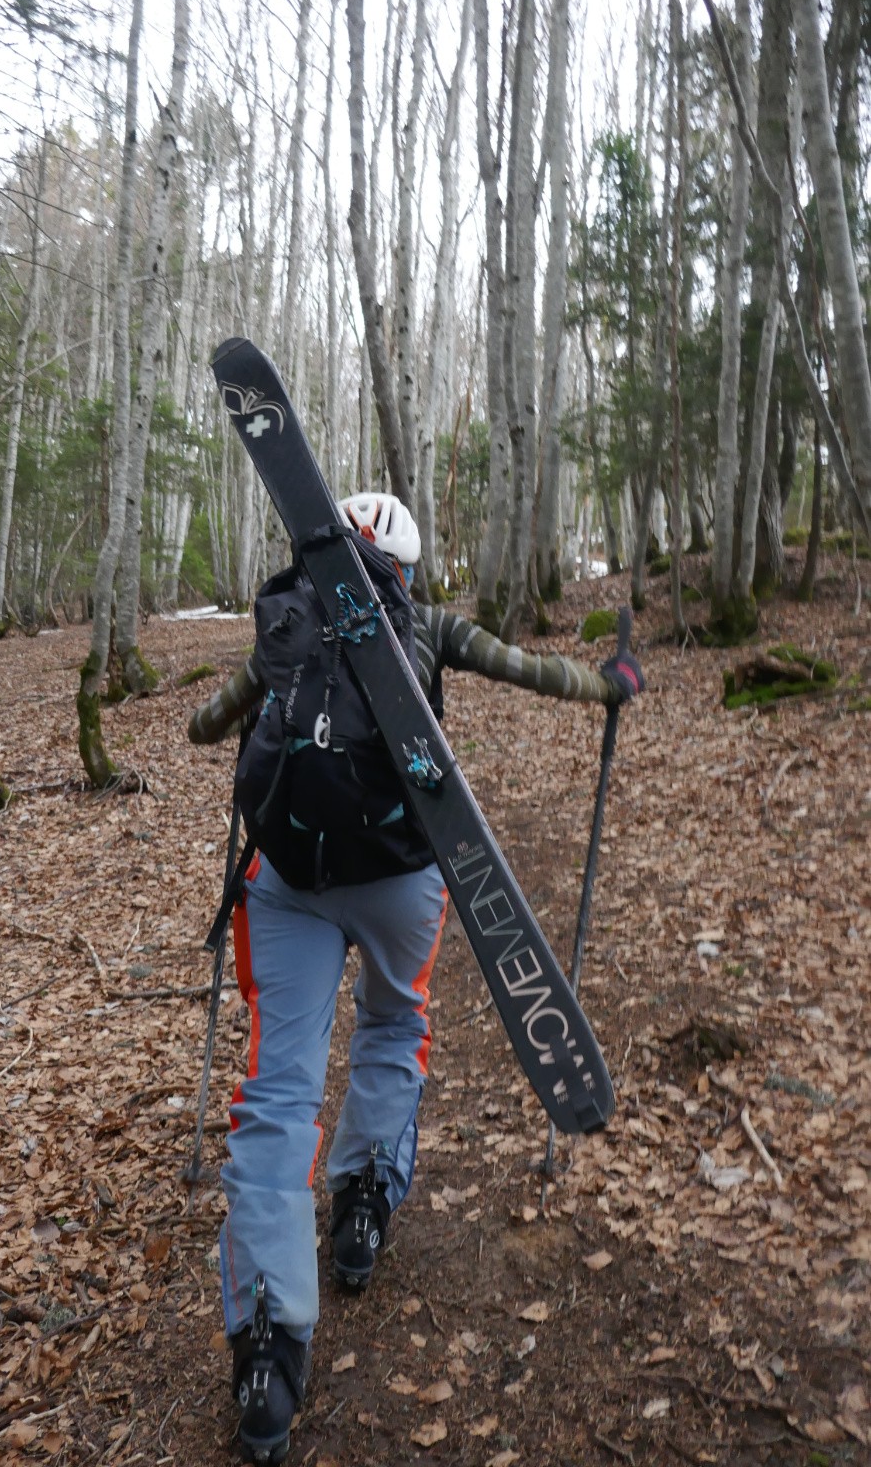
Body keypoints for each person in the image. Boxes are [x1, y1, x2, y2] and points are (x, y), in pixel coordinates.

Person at [187, 493, 644, 1465]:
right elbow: (530, 669)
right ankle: (360, 1200)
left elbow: (209, 722)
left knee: (276, 1091)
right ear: (402, 564)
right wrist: (606, 685)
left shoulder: (288, 619)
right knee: (394, 1026)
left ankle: (267, 1341)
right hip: (401, 877)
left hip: (285, 881)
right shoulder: (425, 624)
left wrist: (225, 714)